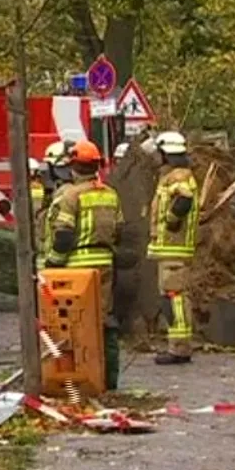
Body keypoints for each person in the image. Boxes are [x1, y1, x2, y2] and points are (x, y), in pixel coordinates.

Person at [45, 140, 128, 390]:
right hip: (104, 265)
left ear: (73, 168)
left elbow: (63, 236)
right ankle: (109, 380)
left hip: (75, 269)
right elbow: (120, 230)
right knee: (105, 321)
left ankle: (76, 380)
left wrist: (52, 266)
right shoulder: (110, 195)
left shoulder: (71, 195)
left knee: (73, 325)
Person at [145, 130, 199, 365]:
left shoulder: (177, 177)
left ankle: (179, 348)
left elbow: (184, 199)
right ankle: (177, 344)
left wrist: (171, 221)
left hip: (174, 248)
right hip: (170, 249)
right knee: (172, 296)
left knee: (175, 297)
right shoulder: (175, 175)